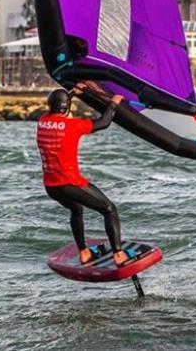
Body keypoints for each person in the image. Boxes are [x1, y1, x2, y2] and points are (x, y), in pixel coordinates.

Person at [37, 81, 131, 267]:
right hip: (70, 183)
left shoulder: (42, 121)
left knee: (76, 209)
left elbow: (60, 107)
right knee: (109, 209)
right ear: (66, 108)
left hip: (51, 186)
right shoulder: (72, 126)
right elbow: (103, 123)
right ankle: (119, 254)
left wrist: (72, 93)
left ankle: (84, 252)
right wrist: (113, 103)